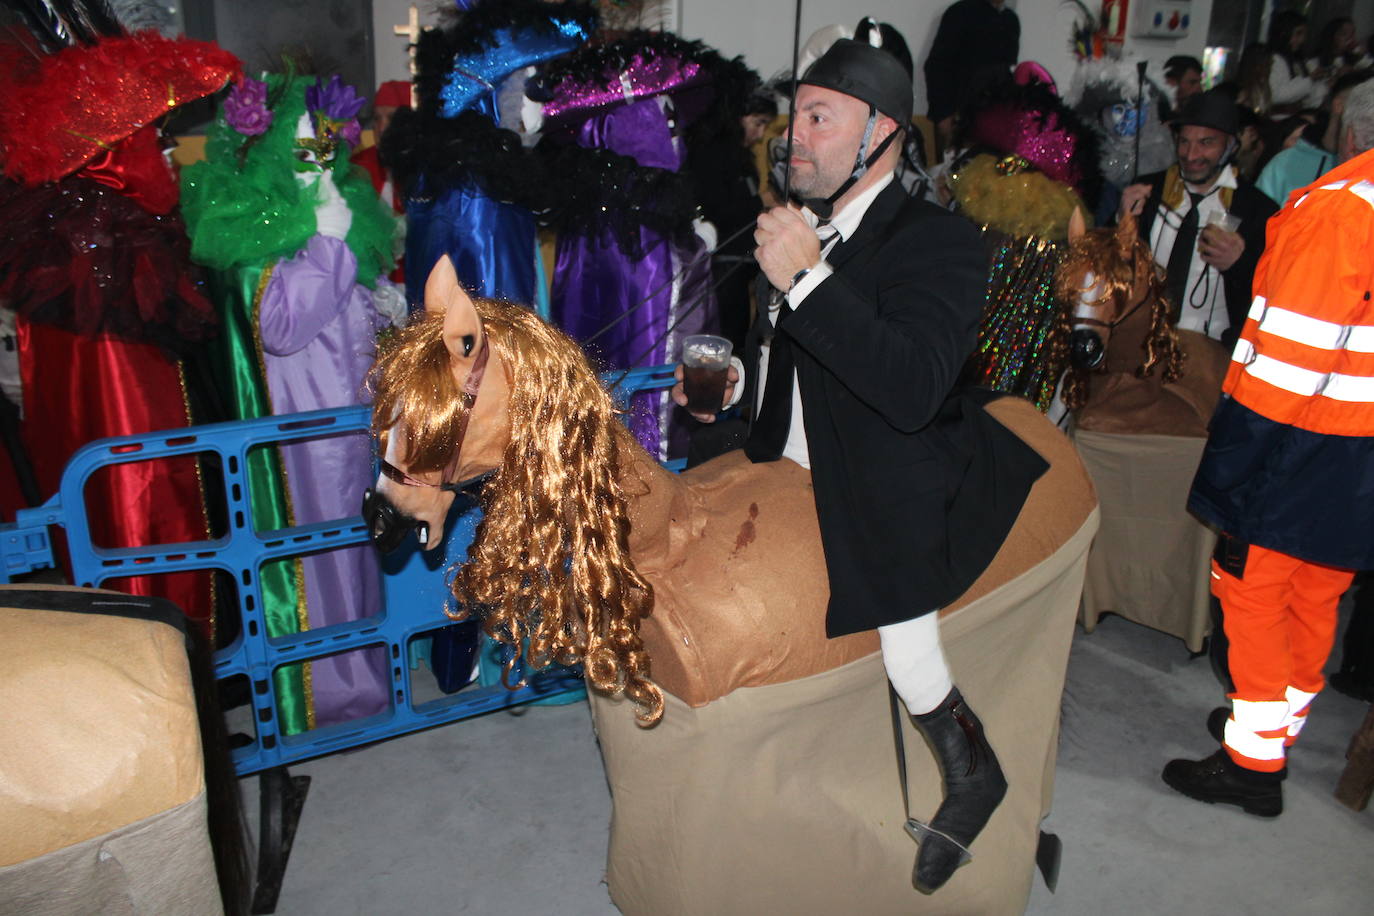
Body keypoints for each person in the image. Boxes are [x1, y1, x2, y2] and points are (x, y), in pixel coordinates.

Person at [673, 39, 1046, 892]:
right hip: (792, 455)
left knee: (905, 640)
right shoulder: (800, 225)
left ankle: (970, 765)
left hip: (896, 463)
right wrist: (737, 384)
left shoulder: (940, 241)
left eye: (817, 118)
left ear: (880, 132)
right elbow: (790, 366)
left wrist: (804, 279)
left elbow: (911, 388)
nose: (790, 137)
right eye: (793, 116)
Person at [1165, 78, 1374, 817]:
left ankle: (1252, 768)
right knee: (1318, 596)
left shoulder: (1343, 211)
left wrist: (1232, 467)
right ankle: (1274, 730)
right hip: (1359, 455)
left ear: (1345, 133)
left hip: (1303, 446)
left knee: (1253, 595)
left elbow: (1283, 367)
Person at [1119, 90, 1278, 346]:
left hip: (1210, 351)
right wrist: (1121, 222)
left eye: (1206, 143)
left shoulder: (1257, 210)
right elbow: (1109, 266)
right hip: (1141, 340)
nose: (1191, 155)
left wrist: (1241, 263)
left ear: (1231, 146)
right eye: (1184, 142)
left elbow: (1272, 295)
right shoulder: (1147, 191)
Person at [1257, 72, 1371, 205]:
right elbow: (1256, 220)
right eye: (1360, 104)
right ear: (1339, 105)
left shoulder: (1366, 171)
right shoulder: (1285, 164)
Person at [923, 0, 1019, 148]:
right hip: (960, 117)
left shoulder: (1010, 20)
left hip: (996, 120)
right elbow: (937, 66)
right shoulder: (961, 12)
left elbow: (1008, 71)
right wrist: (943, 116)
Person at [1267, 10, 1327, 113]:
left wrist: (1323, 85)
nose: (1302, 40)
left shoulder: (1299, 60)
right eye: (1298, 33)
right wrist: (1310, 80)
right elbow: (1276, 95)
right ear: (1284, 33)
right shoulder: (1275, 59)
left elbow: (1307, 99)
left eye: (1304, 34)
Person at [1162, 54, 1204, 120]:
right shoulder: (1154, 114)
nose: (1199, 89)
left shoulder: (1199, 117)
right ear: (1171, 82)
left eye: (1200, 82)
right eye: (1192, 83)